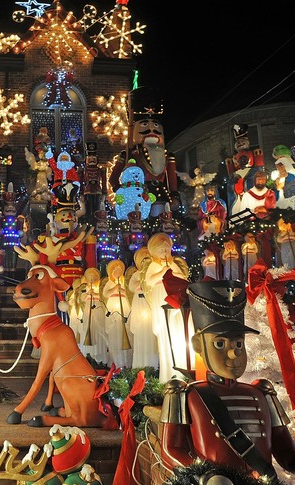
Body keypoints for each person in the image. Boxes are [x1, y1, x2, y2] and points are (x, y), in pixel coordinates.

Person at [159, 279, 295, 485]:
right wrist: (204, 476)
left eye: (238, 344)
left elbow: (283, 449)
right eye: (220, 344)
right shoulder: (185, 394)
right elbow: (170, 449)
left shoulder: (261, 392)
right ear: (198, 345)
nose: (233, 353)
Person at [107, 87, 178, 215]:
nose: (151, 130)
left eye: (156, 126)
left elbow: (172, 182)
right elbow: (113, 178)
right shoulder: (129, 153)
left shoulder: (167, 155)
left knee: (162, 221)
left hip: (160, 195)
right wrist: (121, 191)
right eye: (144, 125)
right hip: (137, 195)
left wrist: (174, 196)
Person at [142, 233, 189, 383]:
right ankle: (167, 374)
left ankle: (182, 370)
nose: (164, 252)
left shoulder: (172, 263)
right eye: (161, 250)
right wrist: (163, 272)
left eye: (167, 250)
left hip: (174, 295)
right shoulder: (154, 265)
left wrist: (172, 272)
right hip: (161, 294)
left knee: (178, 329)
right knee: (165, 330)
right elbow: (149, 280)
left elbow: (182, 277)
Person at [126, 247, 158, 369]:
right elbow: (131, 286)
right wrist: (142, 282)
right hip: (140, 303)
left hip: (150, 302)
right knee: (141, 333)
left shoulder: (153, 272)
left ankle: (153, 365)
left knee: (151, 332)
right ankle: (140, 365)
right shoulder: (137, 274)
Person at [225, 124, 264, 211]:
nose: (240, 143)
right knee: (233, 188)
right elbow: (231, 173)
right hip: (237, 176)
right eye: (238, 142)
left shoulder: (251, 153)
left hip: (250, 173)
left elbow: (259, 166)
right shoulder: (234, 157)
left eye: (242, 141)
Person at [101, 259, 132, 368]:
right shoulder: (110, 283)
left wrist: (122, 290)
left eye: (119, 271)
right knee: (115, 331)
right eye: (115, 271)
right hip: (113, 305)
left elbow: (128, 292)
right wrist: (114, 288)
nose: (118, 273)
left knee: (125, 328)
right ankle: (116, 361)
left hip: (123, 304)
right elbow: (105, 293)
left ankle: (127, 361)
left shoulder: (124, 283)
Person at [275, 218, 295, 283]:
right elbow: (279, 240)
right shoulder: (281, 234)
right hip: (285, 246)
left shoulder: (291, 232)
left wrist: (289, 236)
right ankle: (291, 273)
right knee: (287, 258)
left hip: (292, 244)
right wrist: (286, 236)